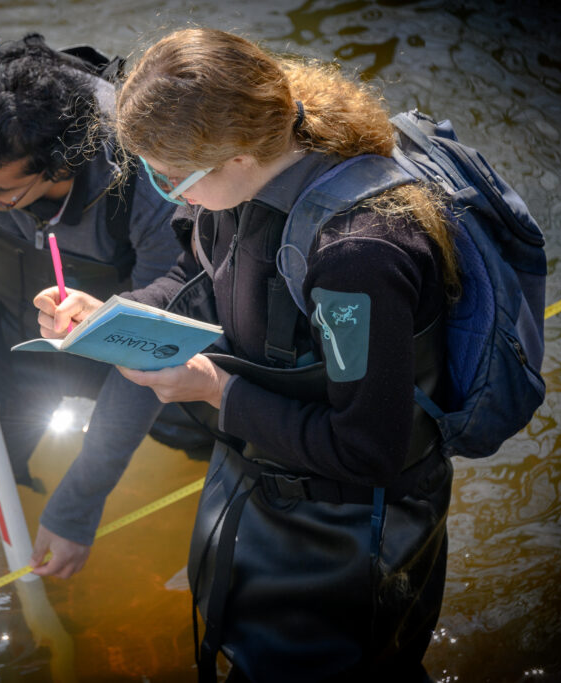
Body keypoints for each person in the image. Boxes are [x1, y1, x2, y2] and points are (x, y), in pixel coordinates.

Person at [34, 28, 457, 681]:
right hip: (265, 491)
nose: (165, 190)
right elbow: (194, 278)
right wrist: (112, 315)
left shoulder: (358, 257)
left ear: (234, 154)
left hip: (353, 539)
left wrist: (213, 390)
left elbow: (370, 447)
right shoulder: (239, 187)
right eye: (149, 171)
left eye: (170, 176)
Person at [0, 34, 210, 578]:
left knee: (216, 416)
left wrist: (80, 502)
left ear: (57, 169)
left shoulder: (148, 180)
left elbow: (151, 347)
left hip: (111, 325)